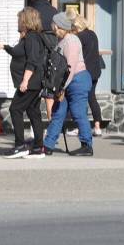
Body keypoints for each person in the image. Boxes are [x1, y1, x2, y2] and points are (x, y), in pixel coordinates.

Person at [43, 13, 95, 157]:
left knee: (78, 113)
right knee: (58, 112)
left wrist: (61, 89)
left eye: (53, 23)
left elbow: (70, 67)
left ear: (58, 25)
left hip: (77, 80)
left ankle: (87, 146)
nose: (51, 26)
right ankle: (48, 145)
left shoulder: (71, 41)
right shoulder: (62, 40)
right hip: (66, 82)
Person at [0, 7, 47, 158]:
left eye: (20, 20)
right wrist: (5, 47)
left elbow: (32, 61)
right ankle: (38, 148)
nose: (18, 22)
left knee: (15, 109)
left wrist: (25, 80)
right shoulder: (29, 37)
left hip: (30, 83)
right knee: (33, 112)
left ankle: (20, 145)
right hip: (33, 82)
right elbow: (18, 53)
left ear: (26, 21)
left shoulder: (32, 38)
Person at [71, 14, 105, 137]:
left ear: (76, 26)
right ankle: (97, 126)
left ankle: (80, 127)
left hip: (85, 72)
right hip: (95, 71)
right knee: (92, 98)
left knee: (80, 100)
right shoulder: (92, 34)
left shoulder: (79, 37)